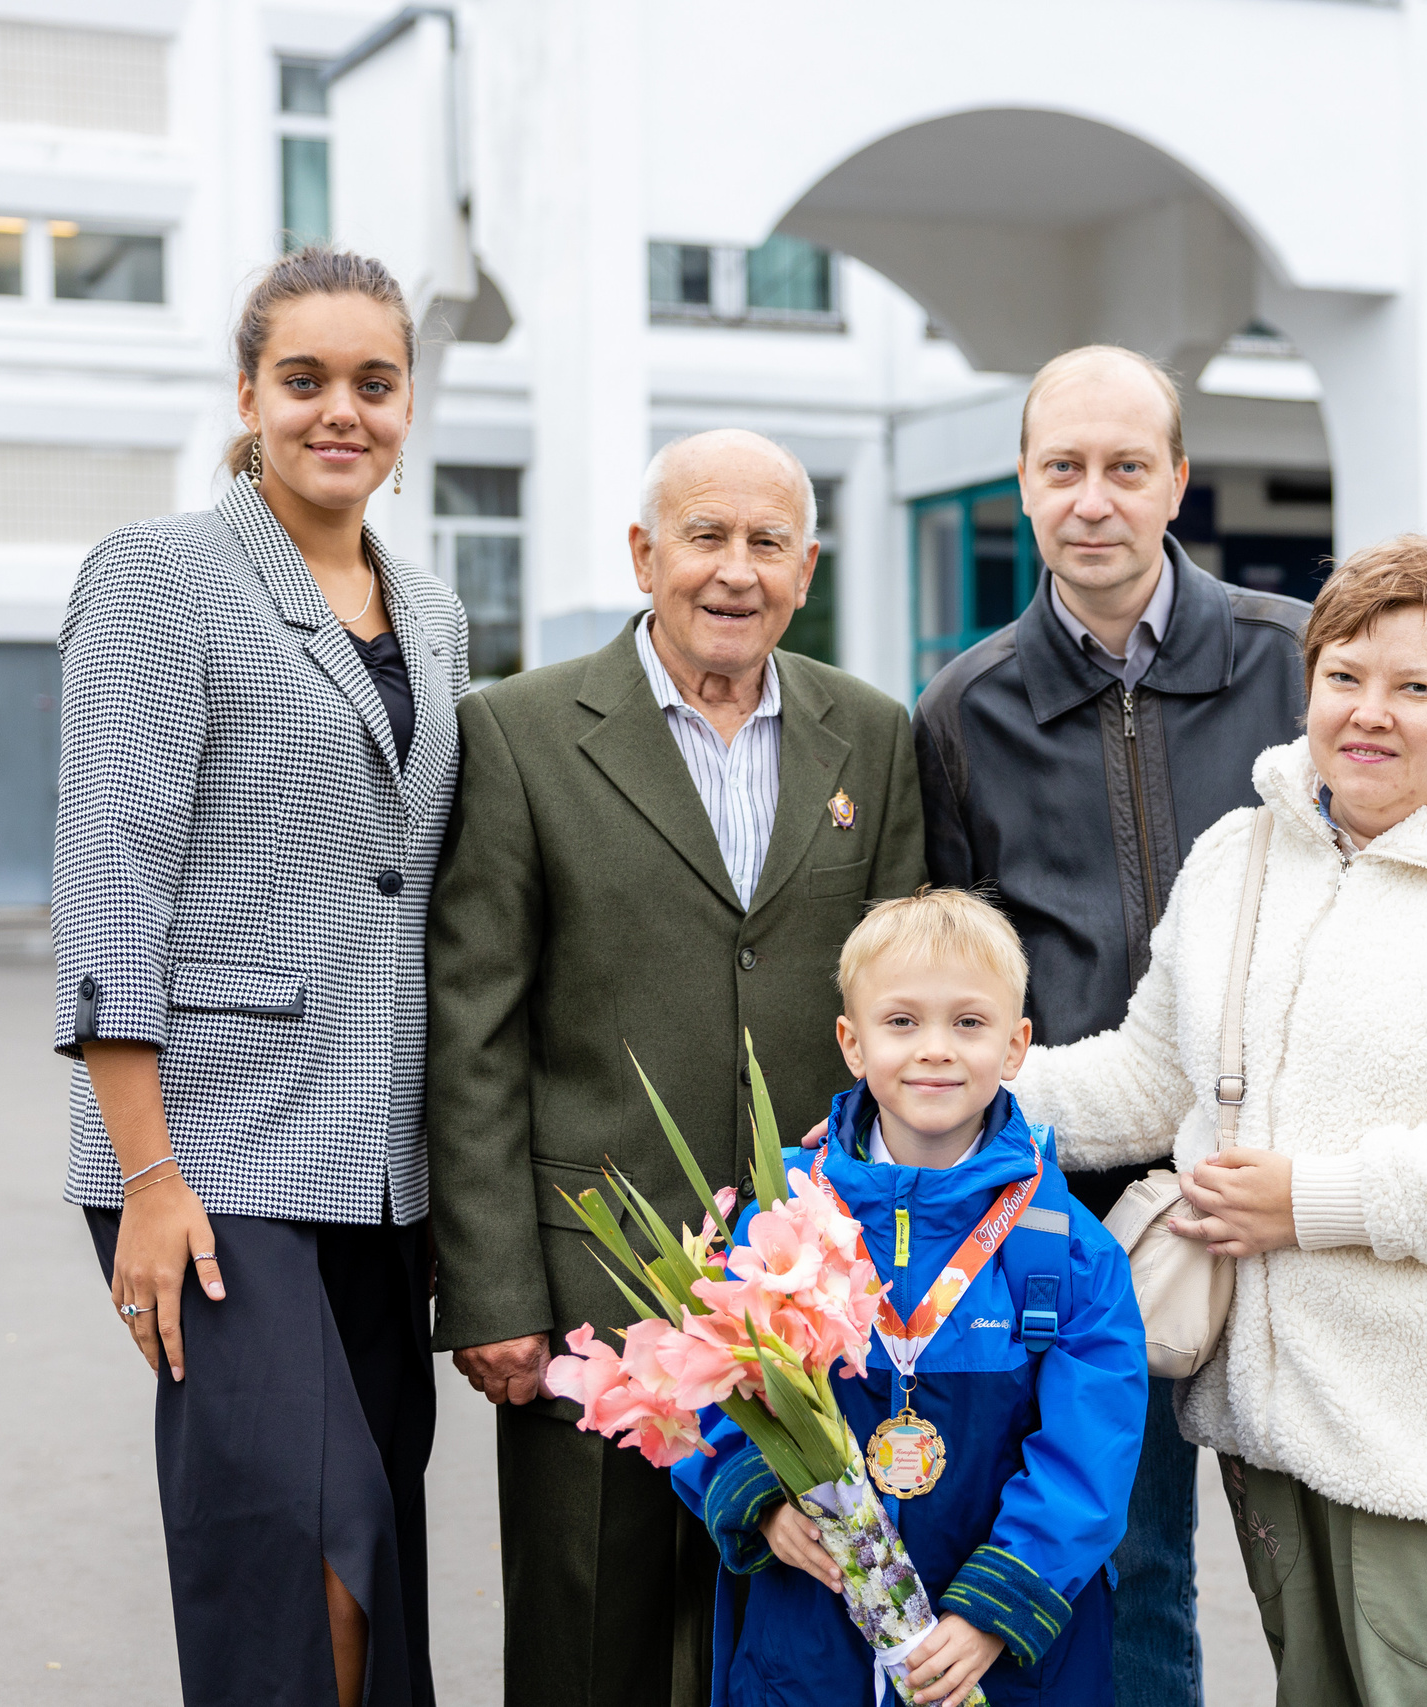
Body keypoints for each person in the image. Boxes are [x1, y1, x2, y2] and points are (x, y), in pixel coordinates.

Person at [1010, 535, 1427, 1707]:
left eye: (1416, 688)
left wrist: (1310, 1203)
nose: (1369, 714)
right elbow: (1152, 1078)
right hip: (1276, 1427)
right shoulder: (1241, 854)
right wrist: (959, 1090)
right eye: (1345, 676)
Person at [425, 429, 928, 1707]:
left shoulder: (869, 737)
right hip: (592, 1300)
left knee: (795, 1644)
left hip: (816, 1299)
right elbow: (474, 1027)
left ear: (806, 569)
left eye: (767, 544)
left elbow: (908, 1007)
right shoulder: (519, 732)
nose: (735, 572)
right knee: (590, 1643)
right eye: (706, 537)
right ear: (644, 554)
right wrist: (489, 1290)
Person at [52, 248, 468, 1707]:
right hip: (213, 1157)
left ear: (409, 403)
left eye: (373, 381)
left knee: (385, 1536)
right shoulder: (161, 577)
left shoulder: (432, 612)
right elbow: (114, 885)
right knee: (304, 1538)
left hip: (374, 1168)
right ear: (247, 395)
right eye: (304, 380)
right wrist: (147, 1170)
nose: (338, 411)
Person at [911, 343, 1311, 1704]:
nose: (1095, 498)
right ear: (1022, 485)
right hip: (1083, 1212)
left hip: (1291, 1185)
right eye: (1063, 467)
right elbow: (958, 964)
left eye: (1126, 467)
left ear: (1178, 482)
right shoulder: (966, 706)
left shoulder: (1293, 663)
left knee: (1325, 1560)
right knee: (1131, 1564)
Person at [677, 889, 1148, 1707]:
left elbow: (1090, 1452)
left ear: (1016, 1045)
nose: (935, 1049)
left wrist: (992, 1615)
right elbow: (707, 1383)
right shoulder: (783, 1220)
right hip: (811, 1633)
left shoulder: (1067, 1249)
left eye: (969, 1022)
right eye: (902, 1022)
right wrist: (761, 1506)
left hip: (997, 1659)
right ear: (852, 1044)